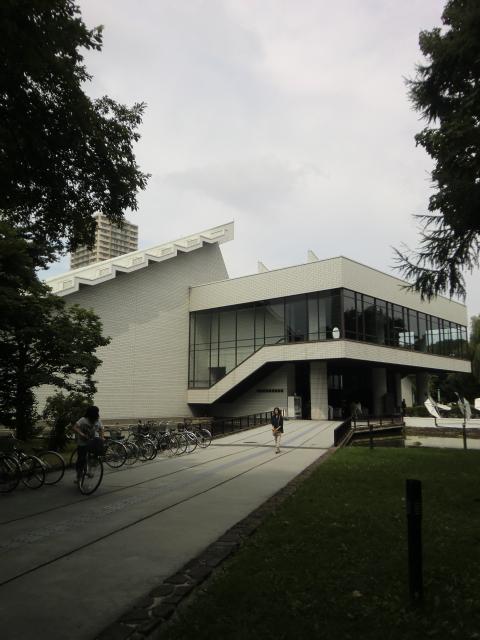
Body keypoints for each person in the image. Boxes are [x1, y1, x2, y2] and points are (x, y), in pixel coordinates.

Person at [72, 405, 104, 483]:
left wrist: (102, 437)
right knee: (81, 459)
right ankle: (78, 475)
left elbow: (101, 429)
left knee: (94, 456)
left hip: (93, 441)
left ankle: (90, 470)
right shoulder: (83, 420)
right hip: (82, 442)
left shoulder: (97, 420)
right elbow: (75, 427)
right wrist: (82, 434)